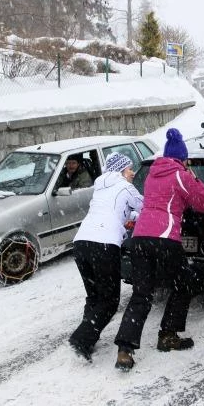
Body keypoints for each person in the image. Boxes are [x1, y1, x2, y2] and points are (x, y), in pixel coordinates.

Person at [113, 128, 204, 371]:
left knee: (142, 294)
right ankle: (168, 335)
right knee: (184, 283)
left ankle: (125, 350)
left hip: (139, 238)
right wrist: (194, 176)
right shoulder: (180, 174)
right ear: (182, 158)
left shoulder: (151, 175)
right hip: (165, 238)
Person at [68, 152, 143, 360]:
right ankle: (80, 340)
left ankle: (87, 339)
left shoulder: (100, 188)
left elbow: (118, 211)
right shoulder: (125, 187)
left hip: (82, 242)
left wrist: (131, 217)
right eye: (129, 168)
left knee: (94, 296)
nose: (133, 172)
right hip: (104, 244)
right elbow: (145, 206)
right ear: (121, 170)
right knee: (110, 301)